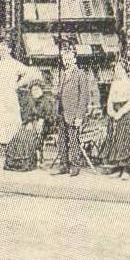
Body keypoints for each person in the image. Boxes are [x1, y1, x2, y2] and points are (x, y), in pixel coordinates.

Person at [0, 33, 33, 159]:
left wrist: (17, 85)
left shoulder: (14, 64)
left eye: (4, 48)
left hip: (9, 96)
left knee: (9, 121)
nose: (1, 51)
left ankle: (9, 149)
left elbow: (29, 73)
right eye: (0, 49)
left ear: (10, 50)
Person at [53, 44, 90, 176]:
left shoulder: (80, 74)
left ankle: (75, 165)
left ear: (74, 59)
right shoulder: (62, 74)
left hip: (73, 114)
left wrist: (79, 116)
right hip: (62, 112)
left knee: (73, 139)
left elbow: (84, 96)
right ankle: (63, 165)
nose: (66, 61)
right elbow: (60, 92)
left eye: (69, 59)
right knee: (61, 139)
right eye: (64, 59)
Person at [101, 56, 130, 178]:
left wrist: (121, 113)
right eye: (116, 69)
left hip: (126, 114)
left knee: (125, 140)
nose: (117, 71)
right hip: (115, 112)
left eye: (120, 69)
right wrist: (111, 111)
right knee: (114, 139)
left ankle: (126, 170)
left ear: (125, 69)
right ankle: (118, 168)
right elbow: (110, 100)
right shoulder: (114, 83)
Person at [4, 82, 56, 172]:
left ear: (41, 90)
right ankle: (17, 162)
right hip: (31, 124)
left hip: (45, 125)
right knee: (19, 135)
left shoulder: (47, 101)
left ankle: (28, 161)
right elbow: (28, 115)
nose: (35, 92)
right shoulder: (30, 101)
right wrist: (29, 121)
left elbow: (51, 116)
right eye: (33, 90)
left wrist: (42, 120)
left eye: (37, 89)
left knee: (30, 136)